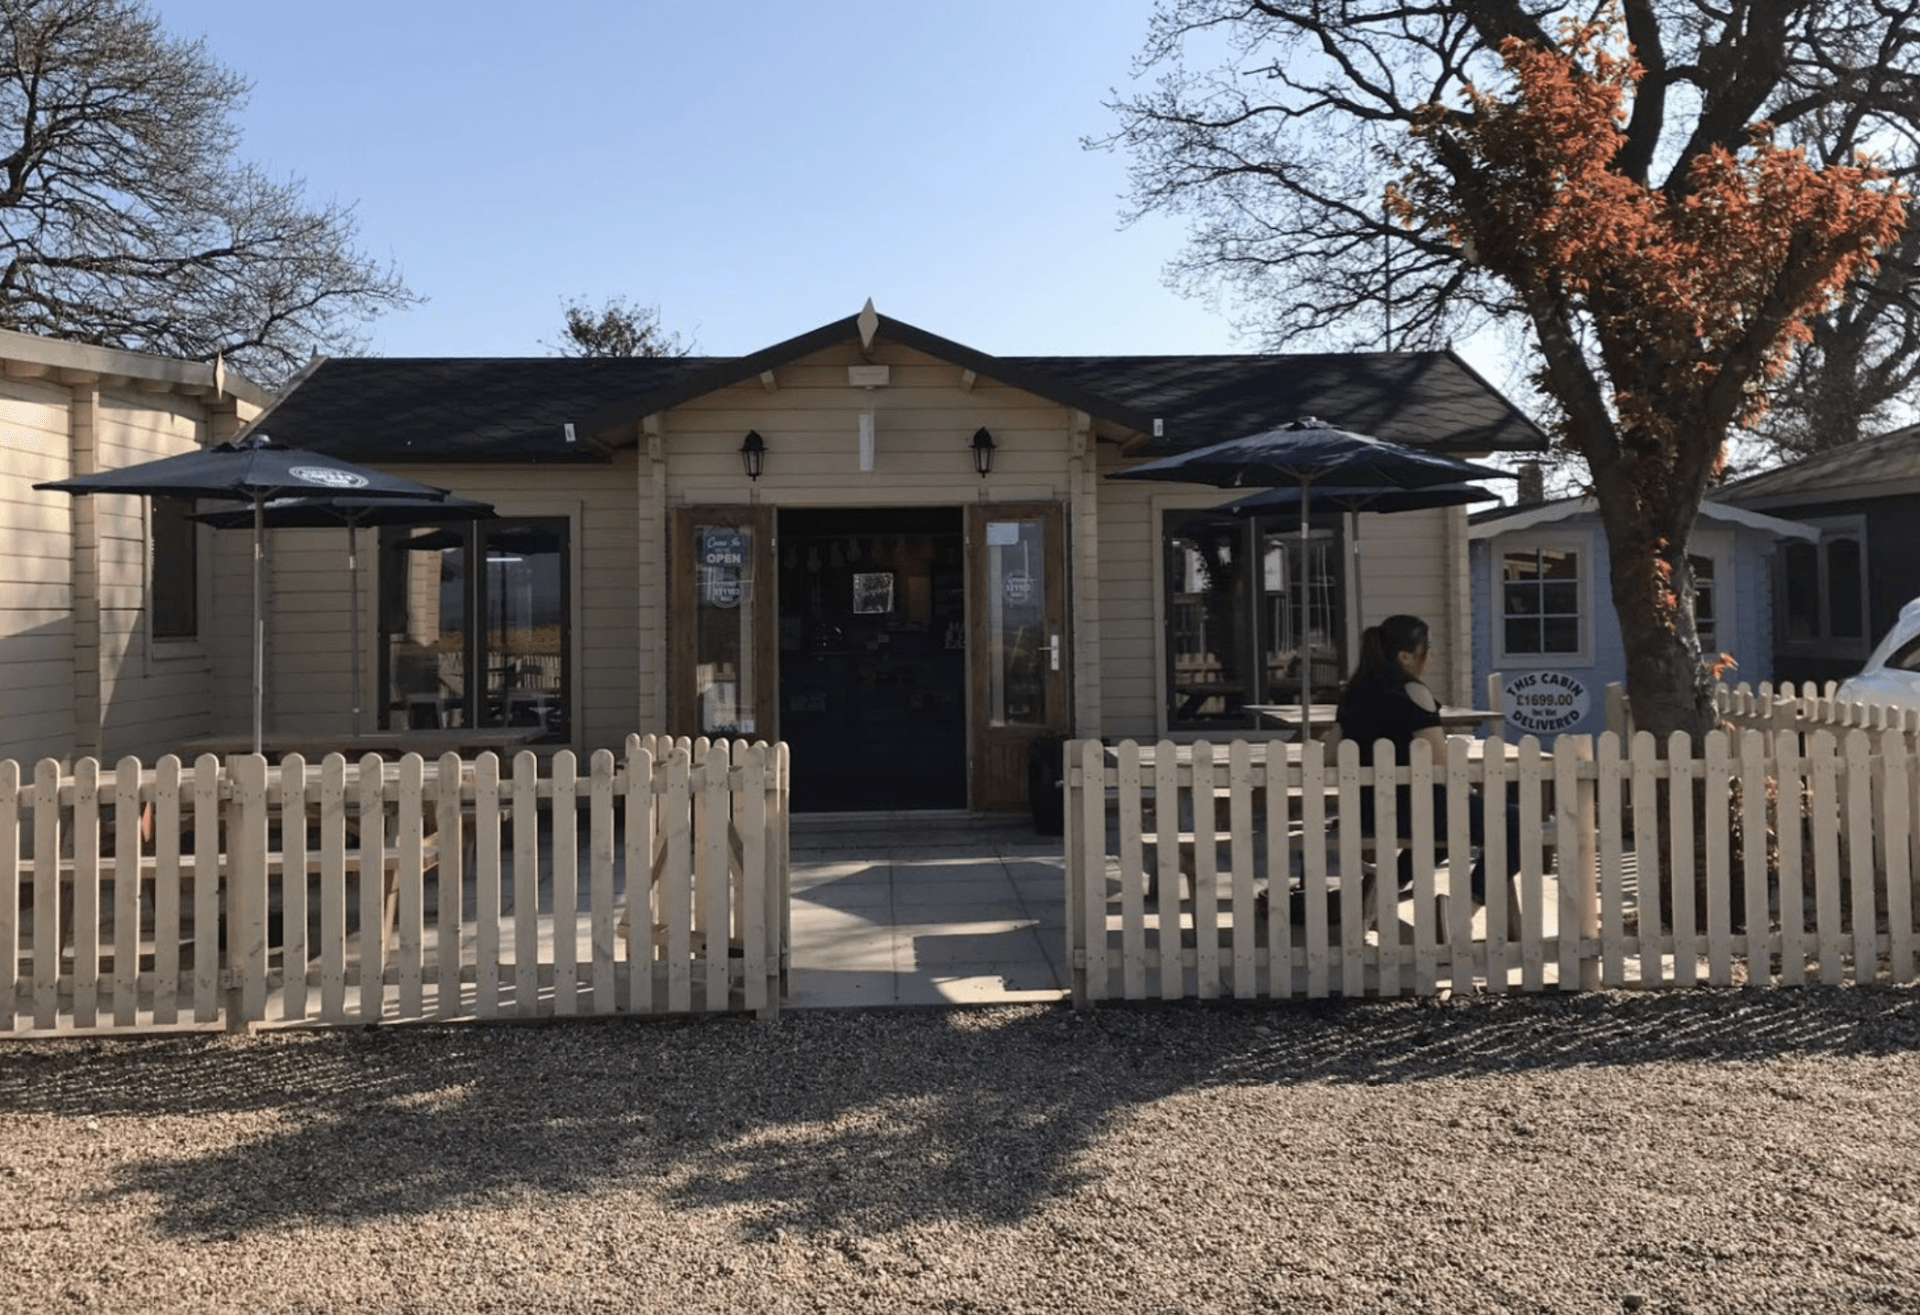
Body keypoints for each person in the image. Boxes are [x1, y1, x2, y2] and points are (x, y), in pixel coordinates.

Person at [1332, 614, 1522, 906]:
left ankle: (1378, 893)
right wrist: (1466, 788)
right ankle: (1464, 909)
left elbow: (1330, 753)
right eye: (1427, 648)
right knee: (1516, 822)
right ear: (1406, 656)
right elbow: (1438, 761)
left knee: (1442, 832)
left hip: (1368, 810)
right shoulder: (1413, 690)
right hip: (1414, 808)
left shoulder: (1353, 693)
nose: (1431, 655)